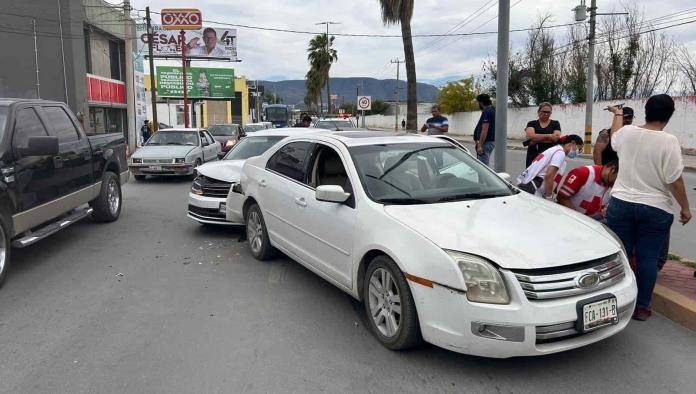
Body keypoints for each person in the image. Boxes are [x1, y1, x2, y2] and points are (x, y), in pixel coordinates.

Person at [605, 94, 692, 321]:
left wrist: (617, 114)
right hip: (655, 209)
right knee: (647, 257)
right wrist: (685, 208)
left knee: (621, 255)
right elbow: (675, 179)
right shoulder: (669, 141)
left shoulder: (626, 133)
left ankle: (617, 302)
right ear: (670, 115)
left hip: (621, 204)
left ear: (646, 110)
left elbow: (614, 136)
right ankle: (642, 307)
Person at [516, 134, 583, 199]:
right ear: (573, 143)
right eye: (579, 149)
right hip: (533, 189)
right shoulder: (560, 153)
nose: (578, 153)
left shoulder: (555, 150)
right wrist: (549, 197)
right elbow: (549, 175)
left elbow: (554, 177)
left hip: (527, 185)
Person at [524, 103, 562, 167]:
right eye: (544, 112)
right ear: (538, 112)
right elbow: (530, 136)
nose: (546, 114)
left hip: (550, 155)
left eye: (548, 112)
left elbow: (556, 138)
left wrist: (535, 140)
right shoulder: (532, 123)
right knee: (532, 175)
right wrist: (549, 136)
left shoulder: (555, 123)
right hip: (533, 154)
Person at [473, 94, 495, 166]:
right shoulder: (492, 110)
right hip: (490, 141)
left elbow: (484, 130)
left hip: (486, 142)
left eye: (478, 102)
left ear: (481, 102)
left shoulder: (487, 111)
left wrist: (480, 145)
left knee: (483, 168)